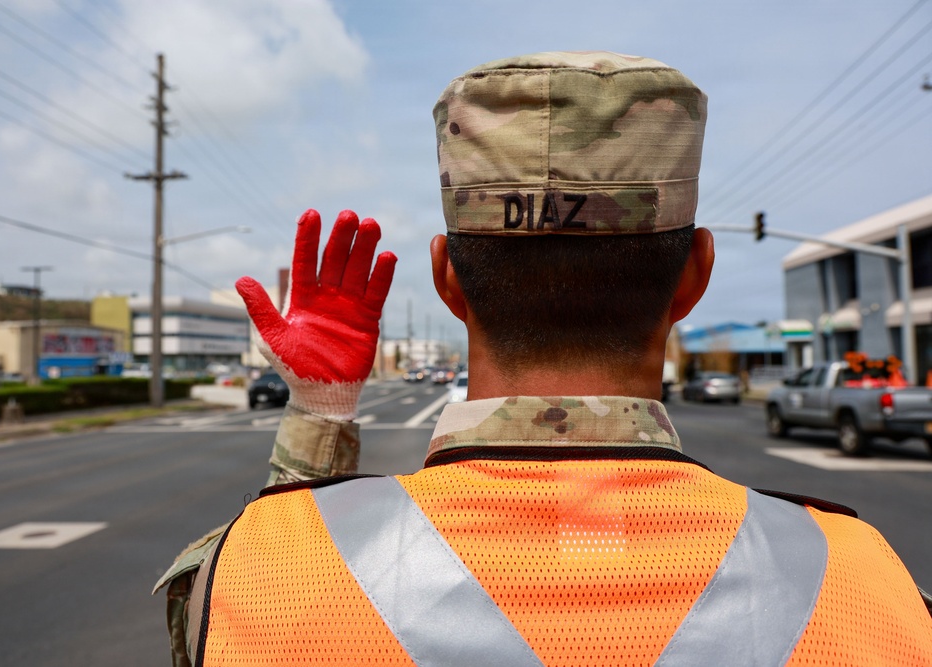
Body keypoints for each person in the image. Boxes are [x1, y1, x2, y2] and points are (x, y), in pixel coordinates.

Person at [155, 51, 932, 666]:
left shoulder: (261, 573)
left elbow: (236, 605)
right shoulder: (867, 583)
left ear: (447, 278)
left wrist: (320, 420)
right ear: (695, 275)